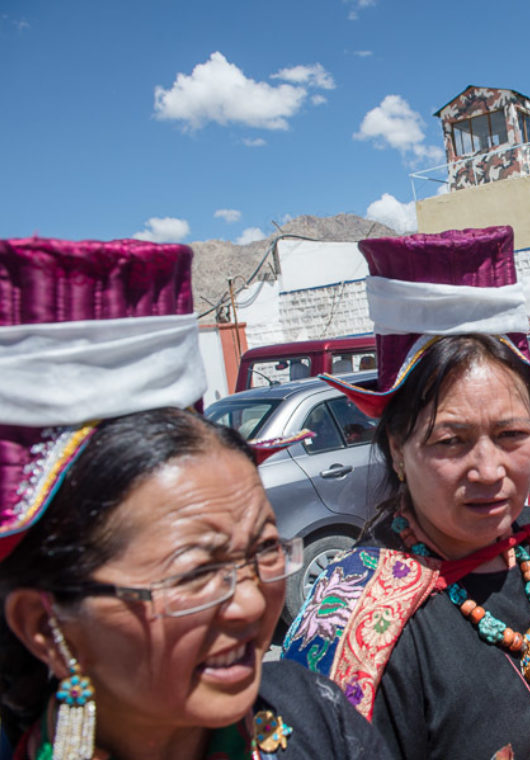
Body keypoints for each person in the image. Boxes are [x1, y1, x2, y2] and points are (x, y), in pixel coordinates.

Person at [0, 238, 376, 760]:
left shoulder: (315, 717)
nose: (250, 602)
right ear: (46, 627)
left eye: (265, 551)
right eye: (195, 573)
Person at [281, 227, 530, 760]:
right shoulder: (356, 625)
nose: (487, 470)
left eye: (512, 435)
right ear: (396, 446)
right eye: (451, 441)